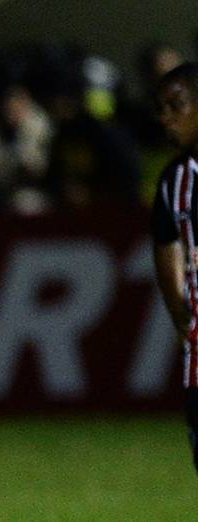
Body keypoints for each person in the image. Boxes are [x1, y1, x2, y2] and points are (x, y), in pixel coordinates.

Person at [151, 62, 198, 474]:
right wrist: (186, 325)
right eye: (161, 108)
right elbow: (171, 274)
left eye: (176, 105)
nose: (166, 117)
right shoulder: (175, 182)